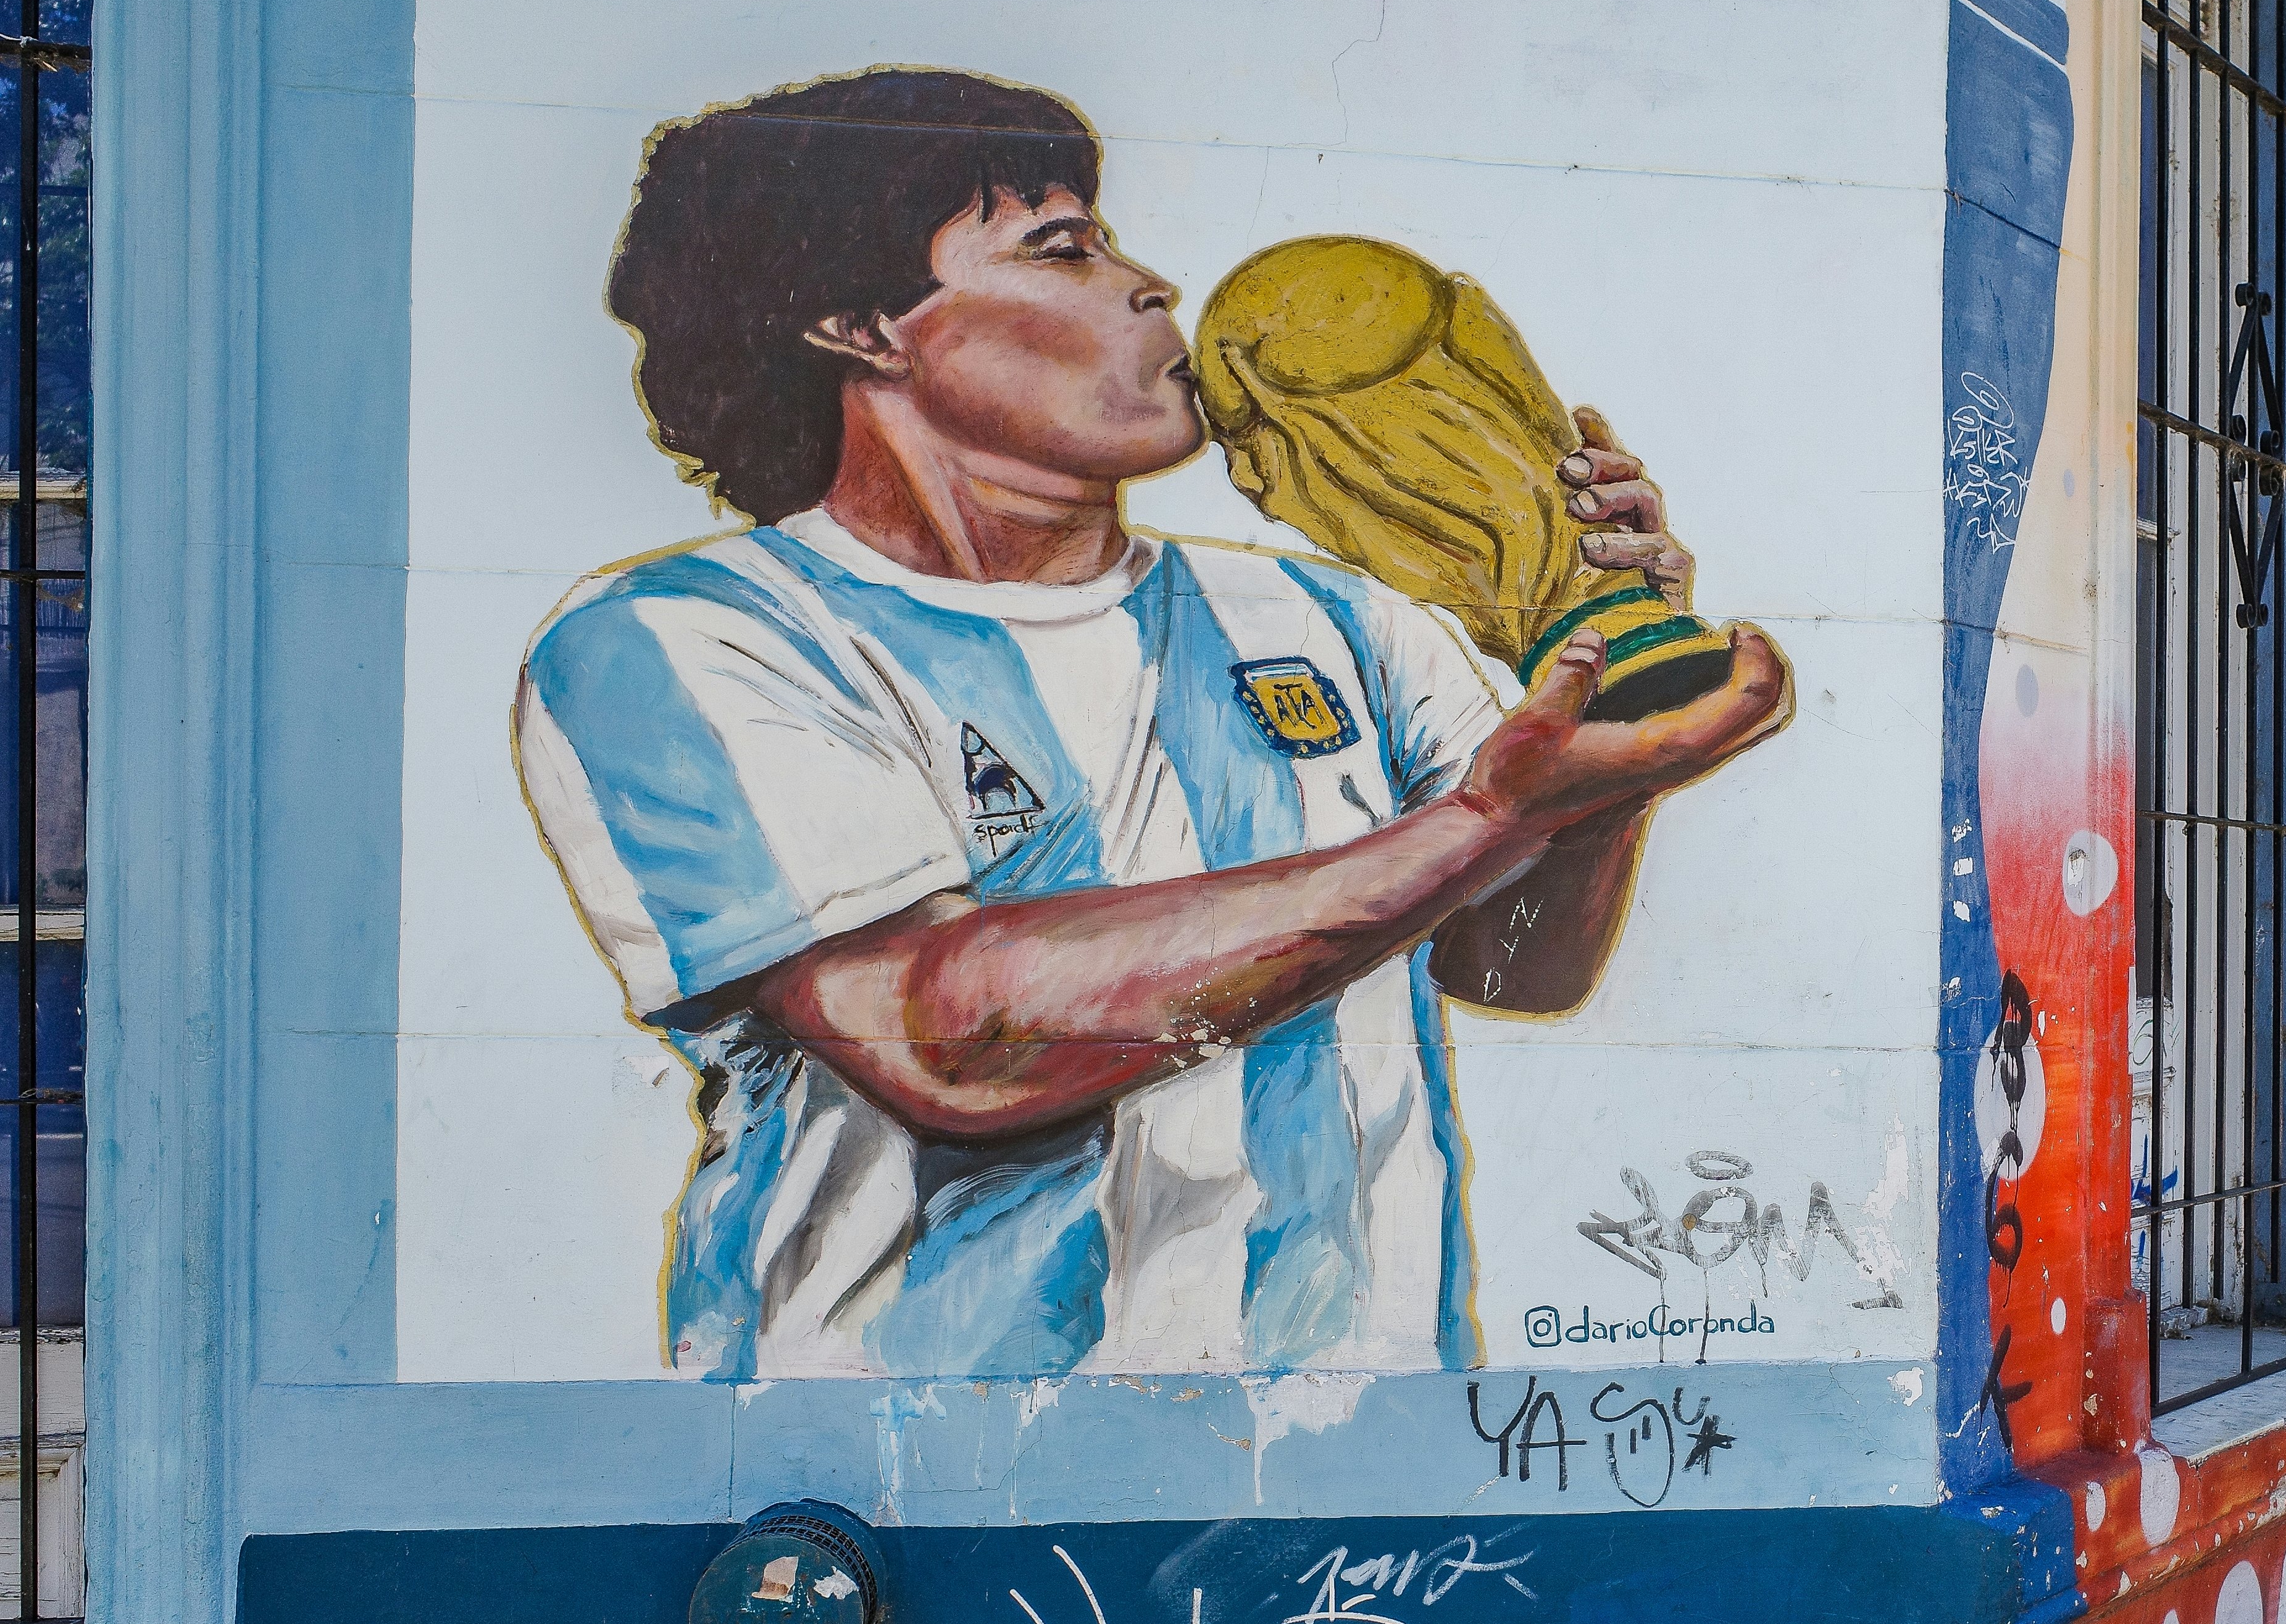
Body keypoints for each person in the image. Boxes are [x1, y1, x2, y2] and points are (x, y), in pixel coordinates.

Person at [515, 69, 1787, 1382]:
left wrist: (1608, 724)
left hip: (1348, 1452)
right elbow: (948, 1034)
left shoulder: (1330, 616)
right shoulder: (692, 636)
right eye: (1063, 248)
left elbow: (1516, 965)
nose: (1152, 286)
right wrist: (1487, 816)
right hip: (908, 1469)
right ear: (861, 325)